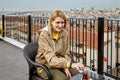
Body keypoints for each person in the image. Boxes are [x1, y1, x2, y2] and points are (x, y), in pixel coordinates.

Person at [35, 10, 84, 80]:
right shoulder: (44, 35)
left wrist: (66, 67)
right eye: (57, 22)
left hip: (60, 62)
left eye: (62, 22)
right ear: (51, 22)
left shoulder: (64, 33)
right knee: (63, 79)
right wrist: (69, 64)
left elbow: (66, 53)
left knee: (77, 75)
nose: (60, 25)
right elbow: (51, 60)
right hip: (46, 65)